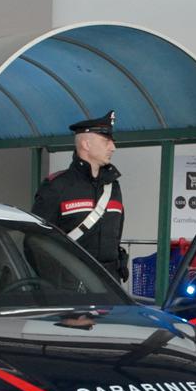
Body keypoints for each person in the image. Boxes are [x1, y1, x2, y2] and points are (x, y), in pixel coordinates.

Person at [32, 110, 128, 281]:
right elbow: (36, 241)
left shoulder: (113, 186)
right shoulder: (57, 186)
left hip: (109, 285)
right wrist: (57, 283)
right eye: (106, 141)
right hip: (70, 287)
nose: (113, 147)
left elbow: (116, 235)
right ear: (86, 144)